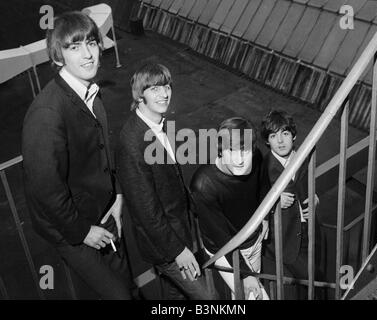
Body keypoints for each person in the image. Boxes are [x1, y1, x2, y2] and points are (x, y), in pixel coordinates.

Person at [22, 11, 135, 299]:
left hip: (103, 211)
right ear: (58, 57)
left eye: (92, 44)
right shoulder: (47, 113)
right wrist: (84, 232)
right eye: (74, 47)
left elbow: (103, 155)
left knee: (128, 288)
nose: (88, 55)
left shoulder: (90, 94)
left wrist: (117, 196)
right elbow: (46, 190)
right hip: (72, 228)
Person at [116, 63, 216, 300]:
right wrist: (178, 251)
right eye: (154, 89)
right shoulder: (131, 143)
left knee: (175, 297)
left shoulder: (159, 123)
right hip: (166, 245)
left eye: (167, 86)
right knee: (209, 299)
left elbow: (171, 180)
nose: (164, 94)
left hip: (180, 230)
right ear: (140, 96)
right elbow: (145, 212)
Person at [190, 117, 271, 300]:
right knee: (256, 296)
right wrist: (245, 273)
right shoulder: (203, 184)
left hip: (253, 238)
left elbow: (264, 187)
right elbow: (221, 237)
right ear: (220, 151)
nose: (239, 160)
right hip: (225, 248)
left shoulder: (256, 158)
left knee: (242, 295)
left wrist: (265, 217)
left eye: (245, 151)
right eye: (231, 151)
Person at [260, 110, 320, 283]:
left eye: (285, 134)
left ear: (293, 136)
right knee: (306, 282)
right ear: (266, 141)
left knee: (317, 276)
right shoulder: (263, 168)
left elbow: (306, 182)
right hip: (284, 240)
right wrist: (274, 202)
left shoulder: (304, 156)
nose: (280, 141)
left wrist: (314, 195)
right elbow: (253, 204)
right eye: (273, 136)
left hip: (310, 230)